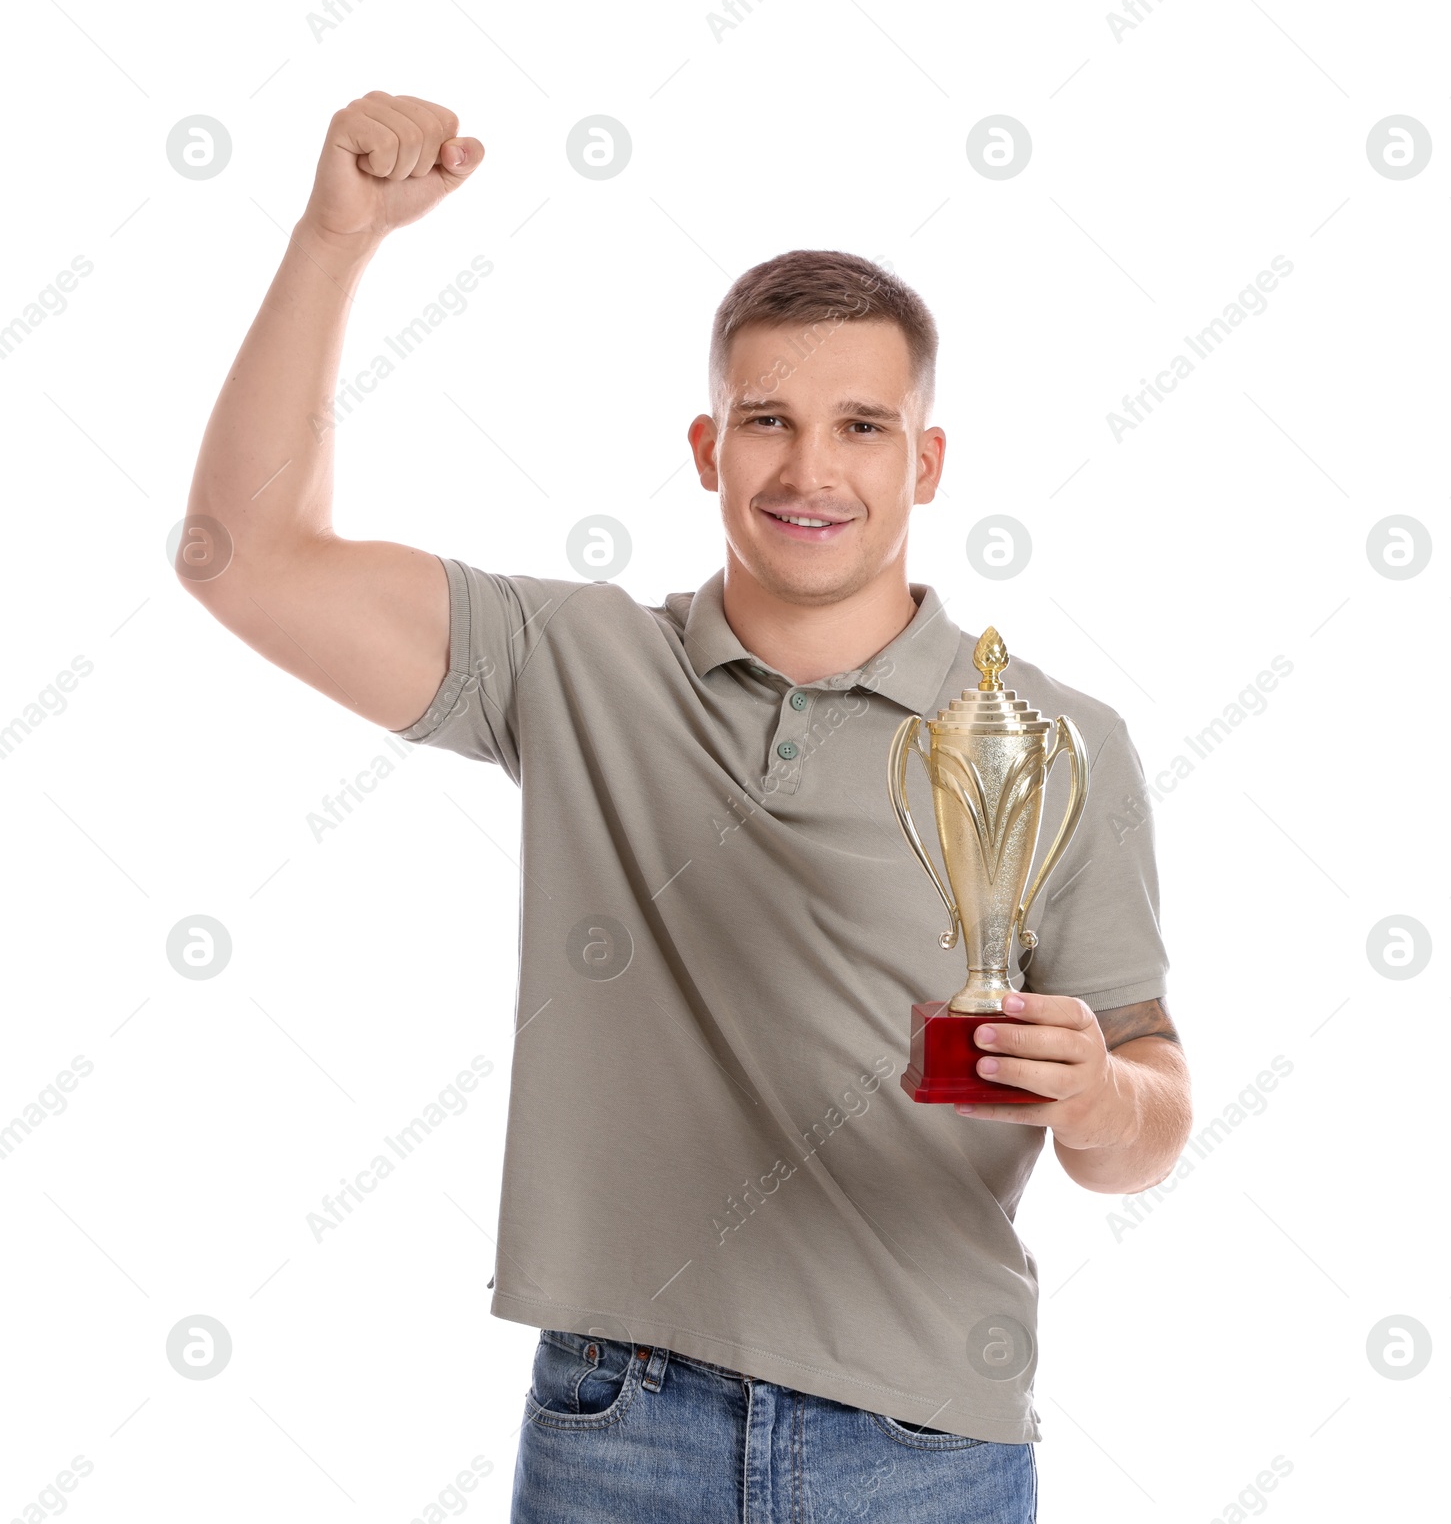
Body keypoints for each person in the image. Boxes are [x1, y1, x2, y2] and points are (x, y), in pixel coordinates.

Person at [181, 90, 1192, 1524]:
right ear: (708, 449)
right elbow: (243, 557)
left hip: (928, 1442)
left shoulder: (1053, 742)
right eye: (767, 420)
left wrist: (1098, 1093)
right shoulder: (576, 664)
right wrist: (335, 242)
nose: (811, 468)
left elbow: (1146, 1119)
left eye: (861, 424)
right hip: (619, 1424)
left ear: (926, 461)